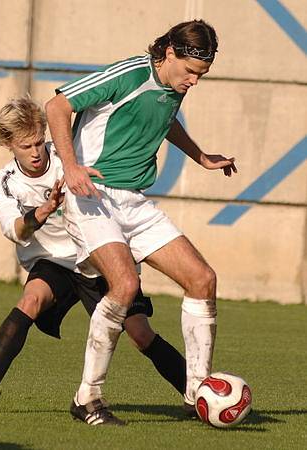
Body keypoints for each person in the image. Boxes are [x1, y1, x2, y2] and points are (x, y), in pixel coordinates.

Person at [45, 19, 237, 425]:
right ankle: (88, 398)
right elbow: (57, 106)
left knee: (202, 279)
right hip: (91, 197)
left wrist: (201, 157)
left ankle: (198, 394)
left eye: (200, 76)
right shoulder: (130, 73)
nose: (193, 82)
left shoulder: (174, 87)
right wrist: (71, 165)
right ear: (169, 52)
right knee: (125, 285)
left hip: (134, 202)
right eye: (190, 72)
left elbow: (163, 119)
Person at [0, 96, 188, 425]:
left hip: (95, 254)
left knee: (140, 333)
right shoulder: (5, 181)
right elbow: (15, 231)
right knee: (30, 299)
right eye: (25, 146)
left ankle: (198, 394)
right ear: (8, 144)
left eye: (38, 142)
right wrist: (42, 212)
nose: (35, 152)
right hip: (53, 261)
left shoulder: (67, 158)